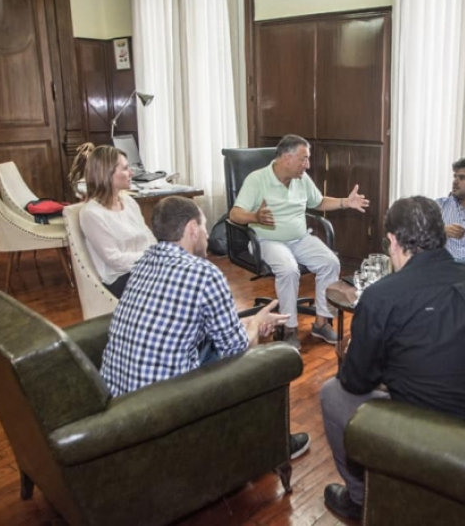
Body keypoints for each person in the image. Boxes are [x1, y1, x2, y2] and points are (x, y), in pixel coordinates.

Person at [320, 196, 465, 520]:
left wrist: (359, 352)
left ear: (393, 242)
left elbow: (355, 380)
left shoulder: (381, 296)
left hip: (446, 447)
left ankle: (362, 500)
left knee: (331, 393)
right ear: (442, 235)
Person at [100, 196, 311, 458]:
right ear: (191, 229)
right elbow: (237, 351)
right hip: (167, 407)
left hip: (120, 404)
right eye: (204, 226)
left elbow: (183, 326)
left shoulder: (143, 263)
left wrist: (245, 323)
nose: (207, 235)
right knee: (259, 363)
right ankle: (273, 445)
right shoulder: (204, 273)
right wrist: (256, 324)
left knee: (230, 338)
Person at [229, 134, 370, 351]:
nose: (308, 164)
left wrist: (345, 202)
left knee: (330, 262)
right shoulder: (257, 180)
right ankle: (289, 329)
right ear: (287, 158)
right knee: (288, 269)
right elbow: (235, 214)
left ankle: (321, 323)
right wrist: (255, 217)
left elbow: (319, 200)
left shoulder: (302, 179)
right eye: (304, 159)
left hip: (300, 238)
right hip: (267, 240)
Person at [69, 143, 156, 298]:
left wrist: (155, 257)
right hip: (120, 279)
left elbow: (149, 238)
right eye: (125, 168)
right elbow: (114, 260)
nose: (131, 172)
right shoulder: (91, 214)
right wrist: (151, 257)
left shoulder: (129, 202)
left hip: (145, 268)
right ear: (106, 174)